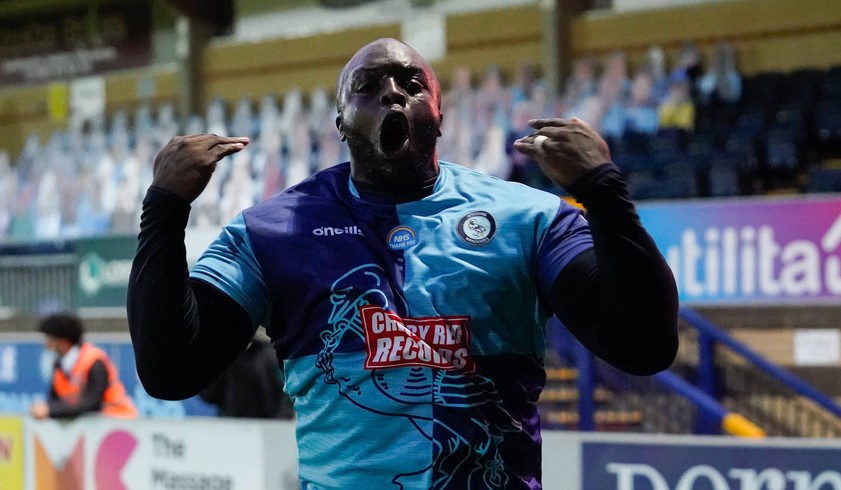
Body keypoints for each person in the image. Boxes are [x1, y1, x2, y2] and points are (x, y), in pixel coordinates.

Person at [128, 38, 678, 488]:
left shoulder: (528, 218)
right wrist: (165, 207)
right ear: (341, 121)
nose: (392, 93)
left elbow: (645, 344)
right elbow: (171, 370)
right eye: (366, 87)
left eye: (413, 85)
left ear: (439, 114)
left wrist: (603, 191)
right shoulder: (270, 232)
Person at [31, 313, 138, 419]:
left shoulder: (94, 360)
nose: (46, 344)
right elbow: (55, 400)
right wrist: (46, 407)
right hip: (93, 427)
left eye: (49, 339)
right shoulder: (59, 366)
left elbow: (92, 403)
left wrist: (51, 410)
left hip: (119, 422)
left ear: (63, 342)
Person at [199, 328, 294, 419]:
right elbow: (209, 396)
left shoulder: (270, 355)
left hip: (268, 425)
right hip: (229, 426)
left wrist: (276, 426)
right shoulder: (223, 356)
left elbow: (286, 396)